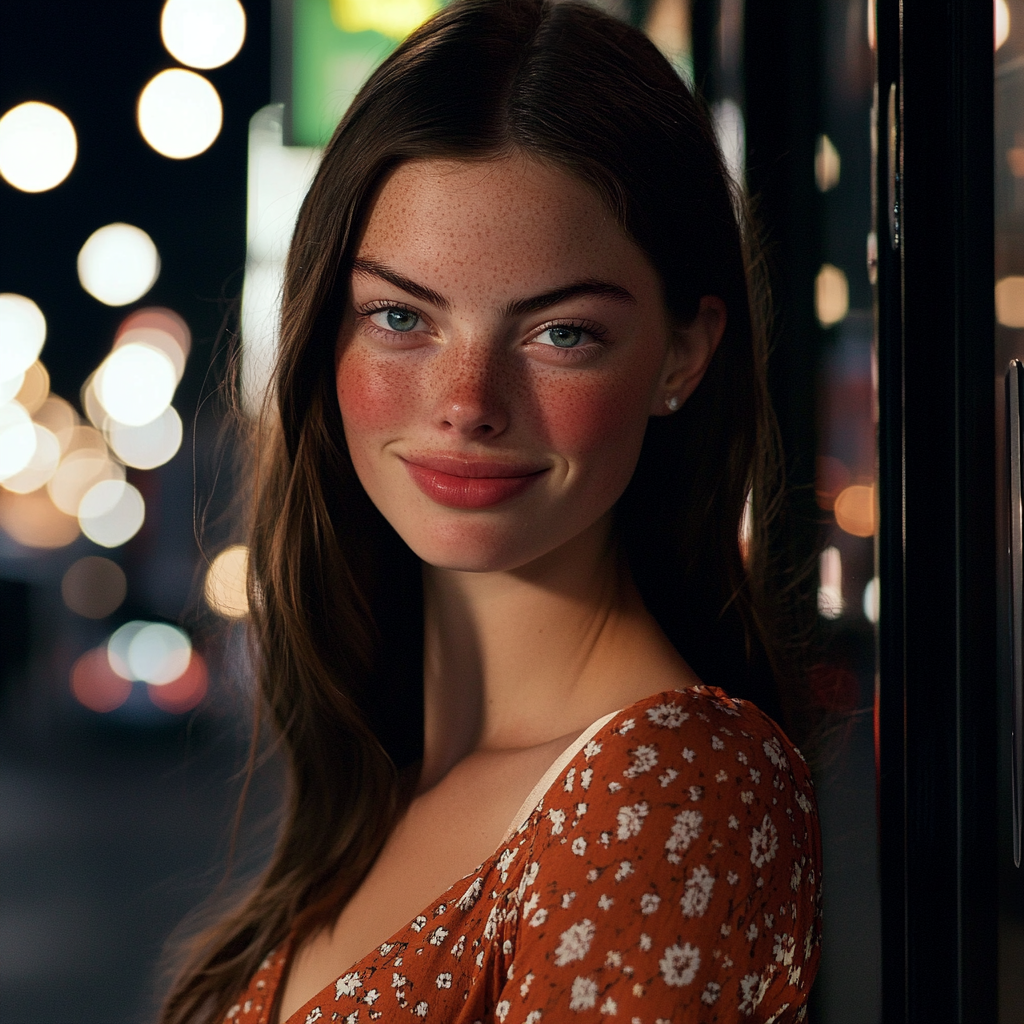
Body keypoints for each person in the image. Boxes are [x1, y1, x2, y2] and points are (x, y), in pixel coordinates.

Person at [161, 1, 822, 1021]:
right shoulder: (389, 781)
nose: (467, 401)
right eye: (399, 316)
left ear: (682, 354)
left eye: (560, 332)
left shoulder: (666, 791)